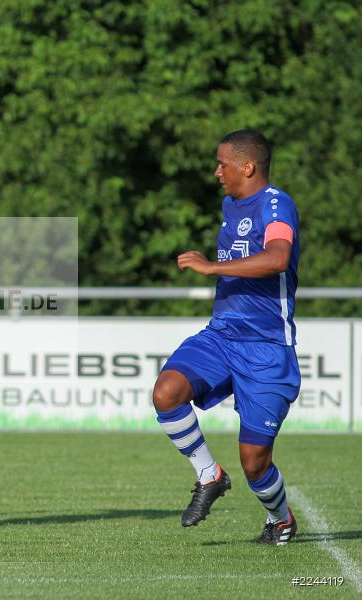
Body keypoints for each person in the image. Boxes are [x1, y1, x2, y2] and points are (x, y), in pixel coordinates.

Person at [152, 129, 300, 545]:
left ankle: (281, 519)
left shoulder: (277, 204)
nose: (217, 172)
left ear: (247, 166)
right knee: (166, 392)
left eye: (223, 164)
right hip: (221, 336)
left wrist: (210, 268)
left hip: (267, 349)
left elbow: (278, 258)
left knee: (255, 463)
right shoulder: (230, 204)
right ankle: (209, 475)